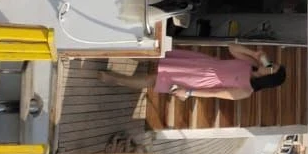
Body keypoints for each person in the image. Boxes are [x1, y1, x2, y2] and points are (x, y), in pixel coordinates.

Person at [99, 46, 286, 102]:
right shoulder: (250, 64)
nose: (268, 64)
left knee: (153, 80)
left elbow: (215, 93)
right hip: (200, 63)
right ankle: (114, 51)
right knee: (156, 57)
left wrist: (188, 92)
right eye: (272, 63)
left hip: (199, 80)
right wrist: (254, 53)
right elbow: (232, 48)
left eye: (271, 67)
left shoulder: (246, 90)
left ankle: (115, 79)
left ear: (269, 78)